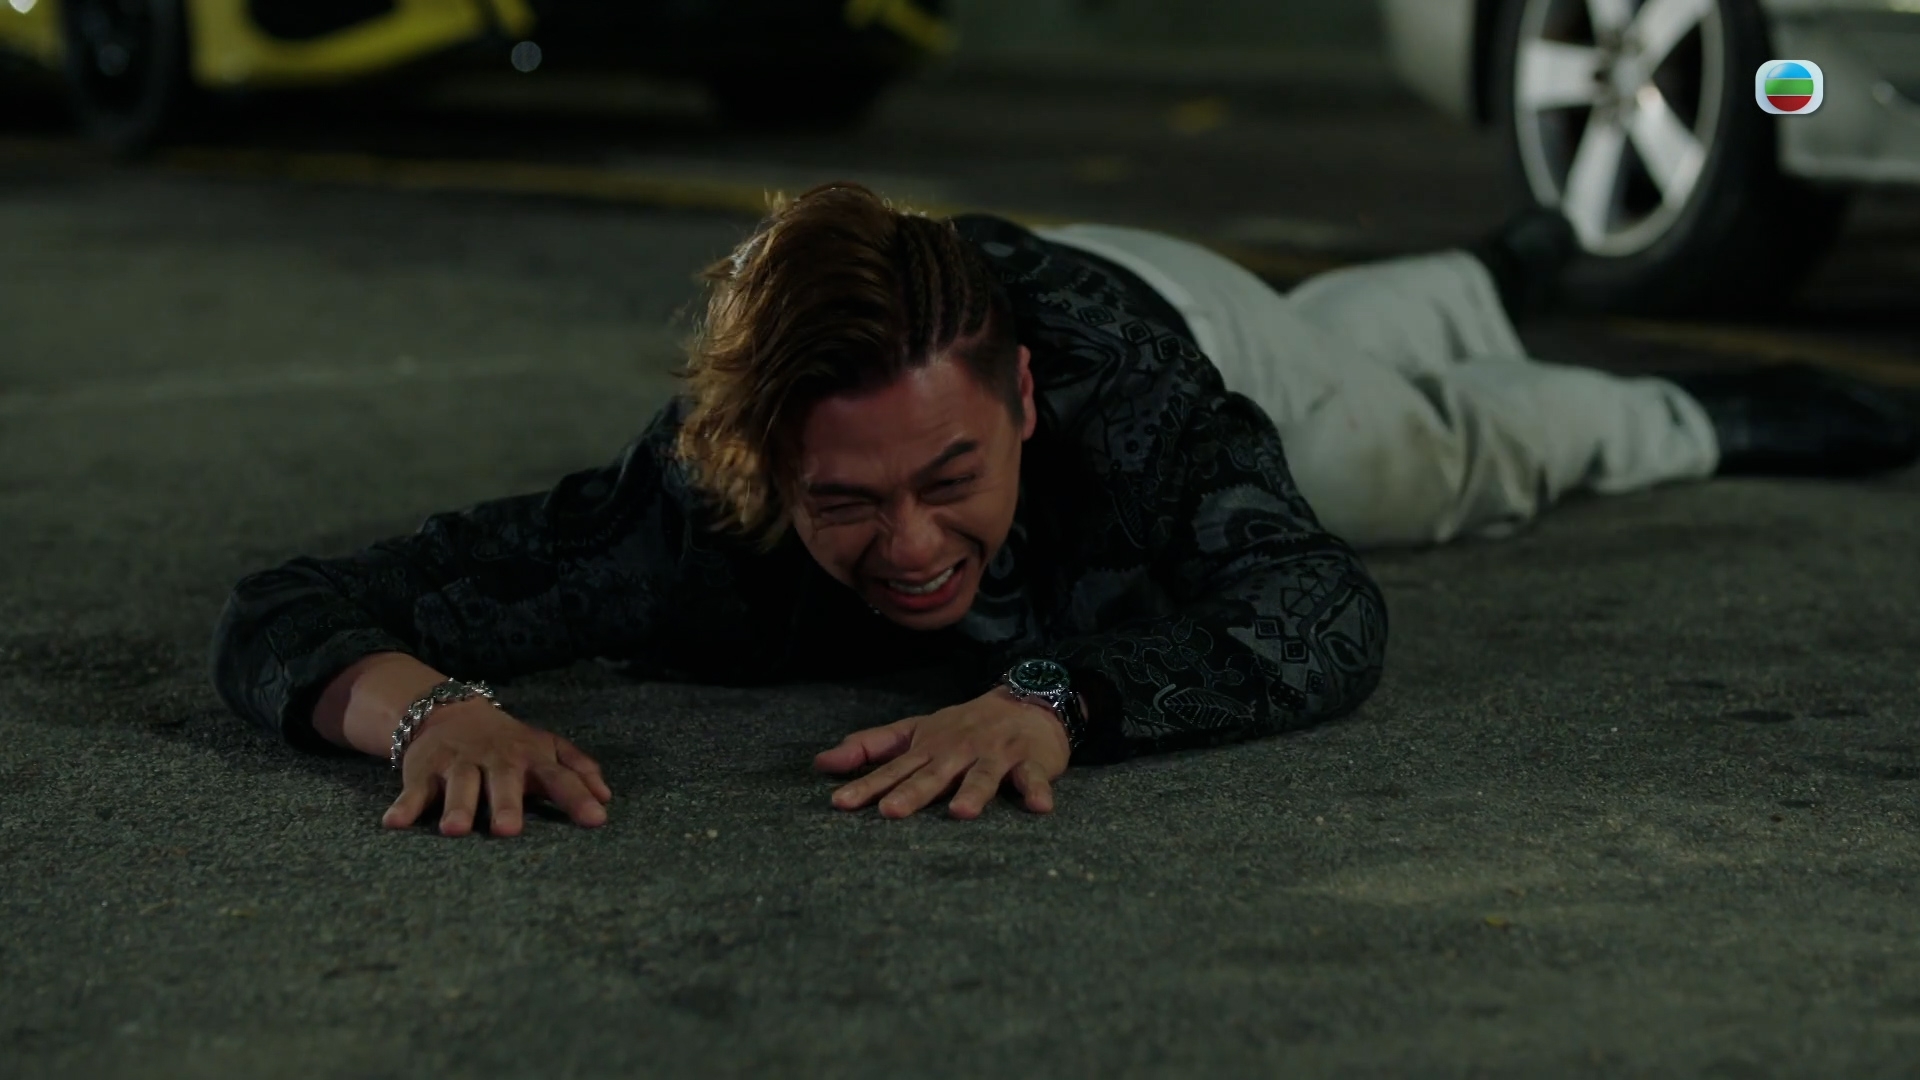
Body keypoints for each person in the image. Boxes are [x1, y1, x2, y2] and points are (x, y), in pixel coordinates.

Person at [208, 182, 1920, 836]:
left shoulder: (1119, 400)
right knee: (1374, 375)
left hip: (1184, 308)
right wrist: (430, 713)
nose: (910, 550)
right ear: (763, 469)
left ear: (1021, 408)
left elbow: (1320, 609)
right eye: (845, 503)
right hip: (989, 307)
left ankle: (1679, 411)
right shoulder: (688, 508)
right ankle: (1468, 276)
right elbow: (293, 602)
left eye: (951, 480)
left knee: (1417, 462)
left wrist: (1056, 697)